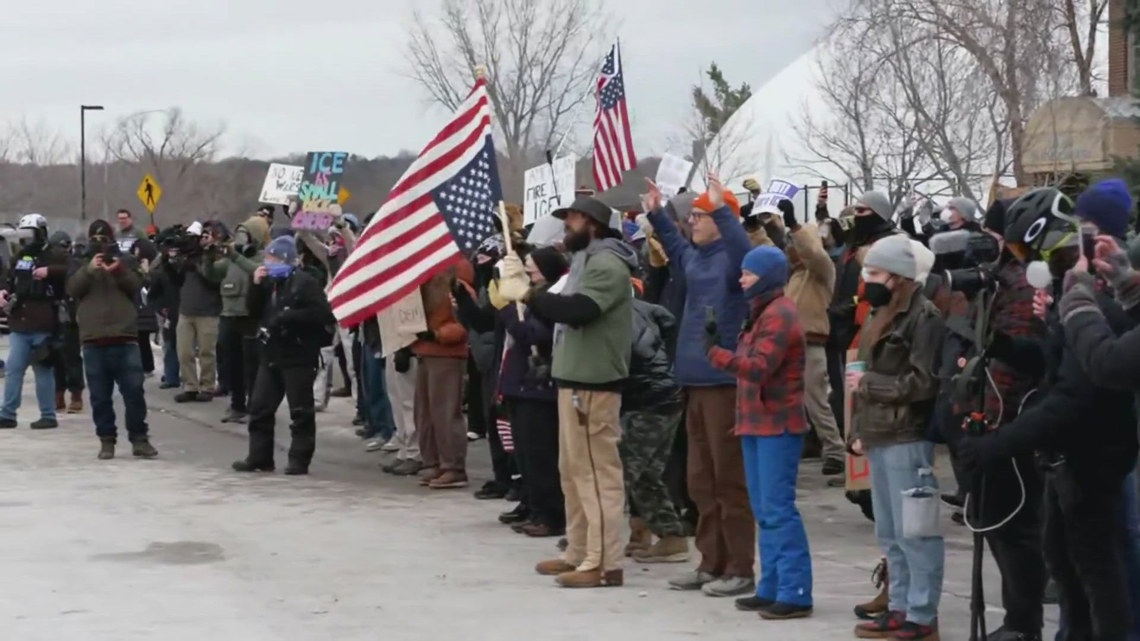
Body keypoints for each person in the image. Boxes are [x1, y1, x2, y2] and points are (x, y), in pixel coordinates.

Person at [961, 186, 1139, 641]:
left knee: (1100, 574)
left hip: (1095, 461)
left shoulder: (1091, 298)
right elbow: (1055, 363)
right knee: (1063, 564)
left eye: (1028, 253)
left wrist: (1001, 443)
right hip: (1066, 462)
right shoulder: (1076, 294)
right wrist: (1010, 345)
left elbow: (1078, 390)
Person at [499, 195, 638, 589]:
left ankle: (604, 560)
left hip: (595, 381)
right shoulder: (584, 260)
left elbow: (580, 310)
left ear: (592, 224)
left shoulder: (608, 263)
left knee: (596, 475)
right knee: (573, 472)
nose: (566, 226)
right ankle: (578, 550)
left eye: (573, 219)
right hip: (574, 377)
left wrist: (529, 294)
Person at [645, 175, 756, 598]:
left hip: (722, 385)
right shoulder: (695, 258)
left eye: (699, 215)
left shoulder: (734, 262)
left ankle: (740, 567)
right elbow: (674, 246)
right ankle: (710, 562)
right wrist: (656, 211)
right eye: (690, 216)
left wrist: (723, 207)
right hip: (691, 382)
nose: (691, 221)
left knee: (729, 480)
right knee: (700, 482)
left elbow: (744, 248)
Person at [707, 244, 814, 621]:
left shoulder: (781, 314)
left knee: (778, 509)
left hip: (778, 424)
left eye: (748, 274)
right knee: (764, 509)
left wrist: (717, 354)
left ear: (766, 277)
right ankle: (771, 585)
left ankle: (796, 590)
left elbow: (759, 367)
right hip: (755, 422)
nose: (741, 279)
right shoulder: (761, 313)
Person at [847, 235, 946, 640]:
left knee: (917, 532)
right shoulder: (877, 314)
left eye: (874, 273)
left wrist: (869, 385)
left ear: (899, 277)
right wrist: (858, 431)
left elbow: (923, 383)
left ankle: (922, 615)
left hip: (907, 434)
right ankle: (900, 605)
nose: (866, 280)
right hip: (879, 433)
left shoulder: (925, 317)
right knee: (890, 533)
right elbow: (861, 374)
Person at [233, 237, 335, 476]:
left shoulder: (305, 283)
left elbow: (322, 315)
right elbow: (253, 311)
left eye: (274, 259)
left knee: (300, 410)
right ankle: (259, 456)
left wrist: (289, 317)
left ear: (287, 260)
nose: (269, 263)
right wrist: (256, 286)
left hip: (298, 354)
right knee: (260, 408)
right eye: (268, 258)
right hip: (271, 353)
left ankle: (299, 459)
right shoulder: (269, 283)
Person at [66, 222, 158, 460]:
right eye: (95, 238)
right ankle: (106, 441)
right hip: (94, 339)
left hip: (124, 337)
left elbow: (137, 286)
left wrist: (117, 270)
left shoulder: (126, 260)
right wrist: (90, 268)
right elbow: (72, 289)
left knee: (134, 392)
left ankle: (140, 439)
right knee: (99, 397)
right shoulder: (79, 262)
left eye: (104, 238)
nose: (100, 243)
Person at [779, 198, 844, 476]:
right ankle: (800, 446)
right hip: (788, 343)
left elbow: (812, 253)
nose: (792, 249)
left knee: (816, 400)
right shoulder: (794, 276)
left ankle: (835, 450)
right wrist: (768, 220)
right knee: (788, 401)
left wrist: (794, 225)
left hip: (811, 342)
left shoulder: (822, 270)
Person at [624, 292, 688, 562]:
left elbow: (633, 357)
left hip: (651, 399)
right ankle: (643, 531)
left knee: (637, 470)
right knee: (643, 469)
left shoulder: (624, 317)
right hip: (662, 395)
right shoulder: (645, 309)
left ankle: (670, 534)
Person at [0, 214, 69, 430]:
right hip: (20, 322)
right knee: (14, 369)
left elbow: (73, 271)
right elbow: (9, 278)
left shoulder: (55, 254)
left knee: (43, 369)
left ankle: (48, 414)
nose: (26, 239)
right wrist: (4, 291)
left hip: (45, 322)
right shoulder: (20, 256)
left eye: (29, 234)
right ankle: (7, 413)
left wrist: (50, 272)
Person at [411, 261, 476, 490]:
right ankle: (433, 460)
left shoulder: (457, 281)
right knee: (424, 412)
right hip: (424, 351)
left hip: (446, 354)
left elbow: (464, 322)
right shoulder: (425, 277)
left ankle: (453, 465)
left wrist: (437, 334)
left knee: (445, 411)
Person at [212, 215, 270, 423]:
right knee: (231, 362)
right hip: (229, 315)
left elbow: (258, 272)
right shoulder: (231, 258)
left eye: (245, 234)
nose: (240, 238)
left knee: (252, 364)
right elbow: (211, 274)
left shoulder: (263, 257)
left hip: (250, 317)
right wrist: (204, 256)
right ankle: (237, 404)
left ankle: (255, 406)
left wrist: (235, 256)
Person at [175, 223, 224, 403]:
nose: (200, 241)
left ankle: (207, 386)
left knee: (206, 352)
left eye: (205, 237)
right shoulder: (187, 255)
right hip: (186, 309)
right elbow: (173, 277)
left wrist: (201, 259)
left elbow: (213, 279)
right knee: (184, 351)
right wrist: (173, 258)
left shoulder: (216, 255)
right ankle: (190, 386)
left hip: (208, 310)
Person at [49, 230, 85, 413]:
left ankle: (76, 395)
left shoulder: (74, 264)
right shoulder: (46, 262)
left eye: (65, 247)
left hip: (70, 315)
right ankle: (58, 395)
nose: (62, 251)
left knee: (71, 357)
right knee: (56, 358)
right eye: (58, 247)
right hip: (52, 314)